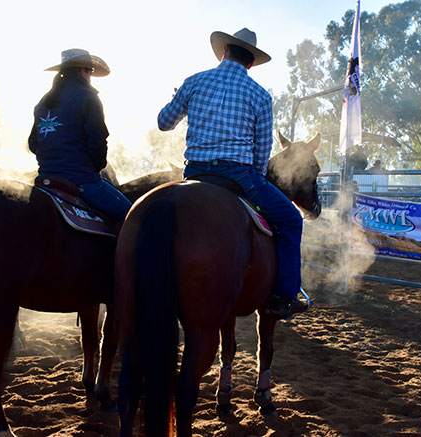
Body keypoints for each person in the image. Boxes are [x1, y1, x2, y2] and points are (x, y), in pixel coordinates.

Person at [157, 28, 307, 319]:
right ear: (251, 63)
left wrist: (182, 103)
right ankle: (284, 296)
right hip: (239, 177)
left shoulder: (194, 81)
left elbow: (164, 123)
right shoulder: (260, 96)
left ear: (224, 51)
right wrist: (258, 178)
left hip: (195, 174)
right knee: (290, 220)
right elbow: (262, 152)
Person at [28, 49, 132, 222]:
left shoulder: (44, 101)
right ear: (82, 71)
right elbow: (97, 140)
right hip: (81, 180)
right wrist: (97, 167)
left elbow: (33, 144)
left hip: (46, 179)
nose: (90, 76)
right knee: (134, 218)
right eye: (90, 72)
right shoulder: (88, 96)